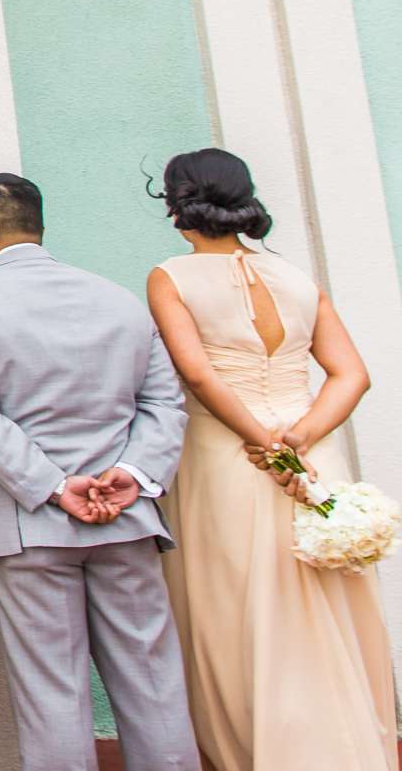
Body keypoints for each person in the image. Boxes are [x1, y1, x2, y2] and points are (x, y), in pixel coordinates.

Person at [0, 172, 199, 771]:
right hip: (125, 521)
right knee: (154, 686)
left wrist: (54, 486)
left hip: (29, 526)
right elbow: (164, 403)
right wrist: (131, 473)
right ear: (40, 225)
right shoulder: (117, 298)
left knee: (51, 693)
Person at [145, 149, 393, 767]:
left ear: (177, 206)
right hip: (312, 456)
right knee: (326, 596)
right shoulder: (295, 278)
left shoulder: (169, 277)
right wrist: (301, 437)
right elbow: (350, 375)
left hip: (229, 456)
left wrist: (262, 441)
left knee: (237, 607)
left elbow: (198, 376)